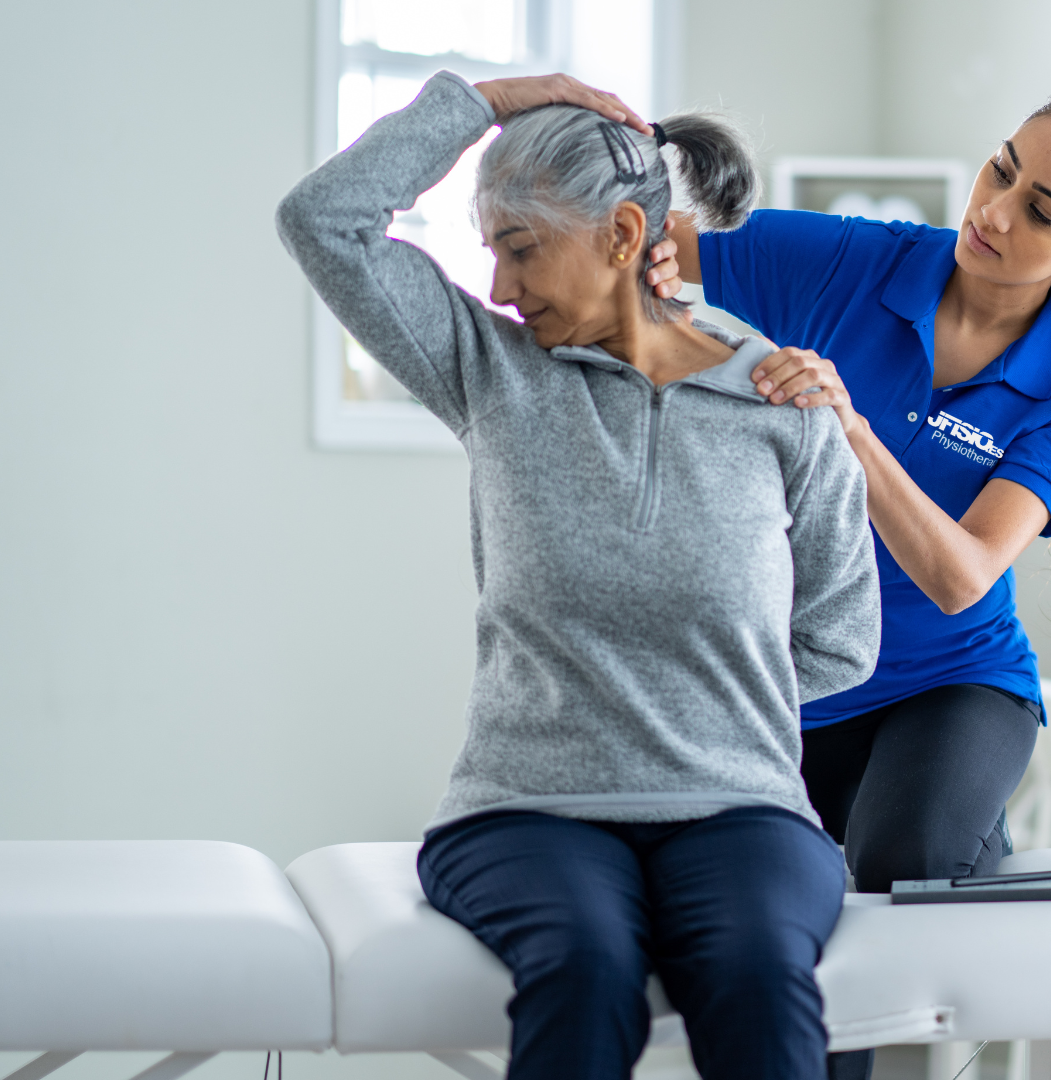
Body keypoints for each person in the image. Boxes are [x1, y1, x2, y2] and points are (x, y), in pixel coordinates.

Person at [276, 70, 879, 1080]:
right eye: (494, 254)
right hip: (525, 811)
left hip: (741, 810)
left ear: (623, 233)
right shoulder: (489, 369)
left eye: (521, 249)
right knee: (584, 967)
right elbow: (323, 221)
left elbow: (841, 642)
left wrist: (703, 712)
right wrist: (487, 100)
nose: (502, 289)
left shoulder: (788, 405)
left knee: (758, 970)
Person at [641, 91, 1051, 912]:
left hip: (950, 681)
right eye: (1000, 169)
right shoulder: (854, 261)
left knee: (907, 859)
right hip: (797, 681)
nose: (994, 214)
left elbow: (962, 576)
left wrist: (849, 428)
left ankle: (962, 848)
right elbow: (639, 249)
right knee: (773, 908)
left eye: (1040, 211)